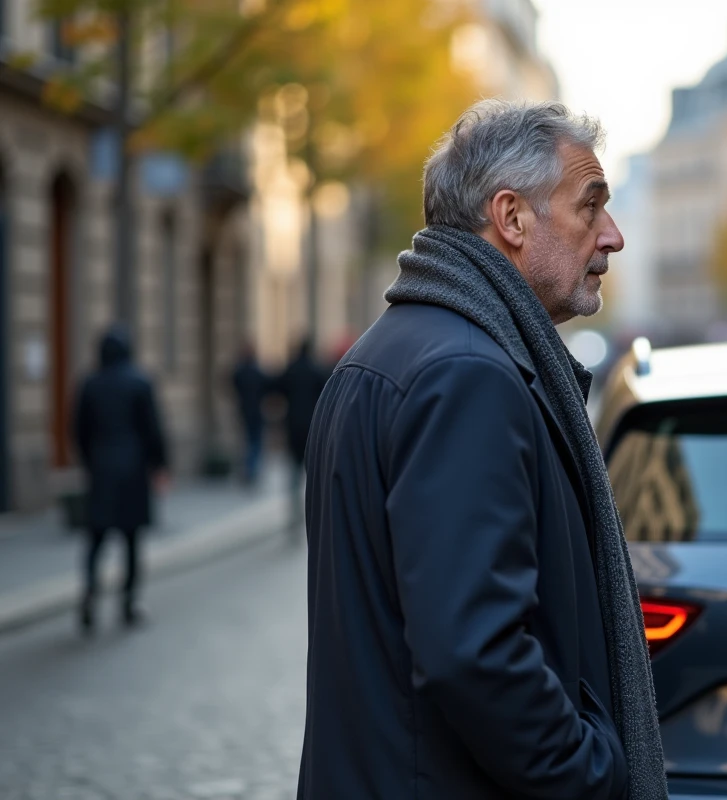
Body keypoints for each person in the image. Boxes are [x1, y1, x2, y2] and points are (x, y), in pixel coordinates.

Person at [298, 100, 666, 799]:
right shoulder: (467, 375)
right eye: (591, 207)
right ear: (512, 217)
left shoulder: (399, 349)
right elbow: (475, 652)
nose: (612, 237)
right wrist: (593, 773)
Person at [74, 325, 168, 632]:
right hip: (132, 470)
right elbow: (152, 429)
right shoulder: (139, 382)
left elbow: (79, 430)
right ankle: (128, 603)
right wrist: (159, 465)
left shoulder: (90, 384)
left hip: (101, 470)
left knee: (96, 540)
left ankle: (89, 594)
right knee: (131, 540)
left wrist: (90, 461)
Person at [272, 338, 328, 529]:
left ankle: (294, 513)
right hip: (313, 426)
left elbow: (276, 387)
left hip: (293, 425)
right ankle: (313, 512)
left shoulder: (291, 369)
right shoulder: (316, 370)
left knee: (293, 472)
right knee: (313, 471)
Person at [231, 343, 268, 486]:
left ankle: (248, 469)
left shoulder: (240, 372)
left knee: (248, 442)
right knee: (255, 442)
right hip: (256, 411)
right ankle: (251, 470)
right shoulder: (257, 372)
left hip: (244, 410)